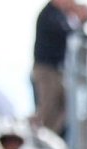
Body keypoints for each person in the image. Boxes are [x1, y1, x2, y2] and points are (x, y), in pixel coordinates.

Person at [31, 0, 76, 135]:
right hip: (46, 69)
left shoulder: (58, 14)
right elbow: (65, 31)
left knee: (61, 104)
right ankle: (41, 136)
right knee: (47, 105)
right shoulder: (49, 14)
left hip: (55, 69)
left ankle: (50, 136)